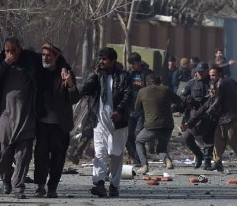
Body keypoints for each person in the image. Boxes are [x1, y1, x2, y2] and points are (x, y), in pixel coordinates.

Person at [0, 36, 44, 199]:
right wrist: (6, 64)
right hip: (6, 115)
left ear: (20, 50)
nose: (10, 54)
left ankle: (19, 186)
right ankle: (6, 178)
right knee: (4, 153)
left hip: (26, 116)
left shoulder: (30, 62)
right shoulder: (1, 63)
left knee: (23, 155)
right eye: (7, 51)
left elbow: (49, 62)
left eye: (13, 51)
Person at [80, 47, 132, 198]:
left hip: (118, 121)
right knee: (100, 152)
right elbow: (86, 91)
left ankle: (114, 185)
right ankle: (99, 183)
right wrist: (93, 76)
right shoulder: (97, 76)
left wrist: (120, 112)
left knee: (116, 153)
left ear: (113, 61)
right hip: (99, 119)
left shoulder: (124, 76)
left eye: (104, 59)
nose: (101, 62)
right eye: (100, 59)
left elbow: (128, 95)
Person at [33, 43, 80, 198]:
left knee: (58, 158)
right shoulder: (39, 72)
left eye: (48, 55)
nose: (45, 58)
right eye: (43, 55)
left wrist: (71, 85)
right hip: (42, 122)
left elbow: (74, 99)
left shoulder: (66, 73)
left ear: (56, 57)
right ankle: (40, 186)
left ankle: (52, 187)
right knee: (40, 156)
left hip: (60, 125)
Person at [188, 66, 237, 172]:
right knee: (218, 139)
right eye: (211, 75)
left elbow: (215, 103)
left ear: (220, 74)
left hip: (232, 117)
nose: (212, 77)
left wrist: (208, 113)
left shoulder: (221, 84)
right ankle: (217, 162)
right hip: (224, 118)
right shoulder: (228, 81)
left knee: (233, 140)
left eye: (214, 75)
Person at [134, 73, 182, 174]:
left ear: (147, 83)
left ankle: (144, 165)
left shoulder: (142, 91)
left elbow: (137, 108)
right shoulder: (166, 89)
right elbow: (178, 101)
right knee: (161, 147)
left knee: (139, 141)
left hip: (151, 126)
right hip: (167, 125)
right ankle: (168, 161)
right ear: (159, 81)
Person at [180, 61, 215, 169]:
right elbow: (182, 96)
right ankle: (199, 155)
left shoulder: (211, 83)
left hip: (207, 115)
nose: (199, 73)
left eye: (202, 72)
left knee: (208, 140)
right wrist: (187, 100)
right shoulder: (191, 83)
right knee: (186, 137)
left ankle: (207, 161)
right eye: (198, 72)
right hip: (193, 115)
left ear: (206, 72)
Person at [125, 52, 154, 167]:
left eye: (133, 64)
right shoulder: (130, 74)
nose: (132, 66)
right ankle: (134, 155)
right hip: (132, 108)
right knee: (129, 134)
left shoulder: (148, 74)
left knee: (138, 133)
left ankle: (139, 159)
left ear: (138, 62)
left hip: (144, 108)